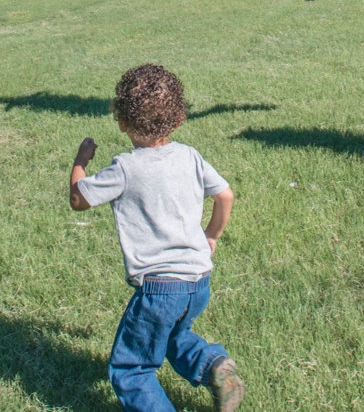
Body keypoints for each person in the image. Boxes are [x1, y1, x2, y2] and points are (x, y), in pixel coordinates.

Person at [68, 64, 244, 412]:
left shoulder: (126, 168)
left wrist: (80, 161)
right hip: (198, 279)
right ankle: (214, 366)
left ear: (121, 121)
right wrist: (211, 235)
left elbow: (78, 199)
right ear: (179, 118)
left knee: (131, 369)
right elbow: (225, 196)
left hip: (160, 287)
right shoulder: (190, 156)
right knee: (172, 336)